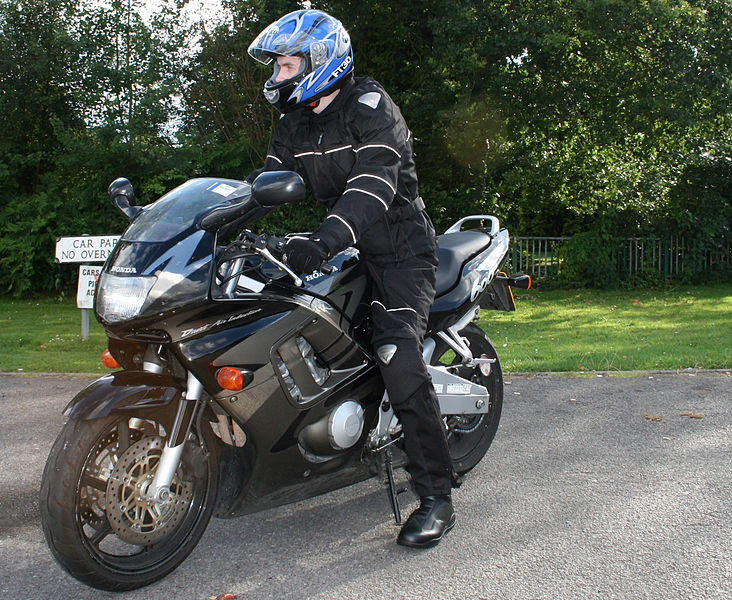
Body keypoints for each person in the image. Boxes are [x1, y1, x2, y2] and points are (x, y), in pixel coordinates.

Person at [247, 9, 457, 548]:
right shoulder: (293, 124)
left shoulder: (371, 108)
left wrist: (322, 241)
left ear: (321, 62)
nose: (279, 74)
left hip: (400, 251)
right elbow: (263, 187)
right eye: (277, 65)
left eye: (288, 63)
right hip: (343, 251)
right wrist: (218, 229)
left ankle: (435, 495)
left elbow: (372, 186)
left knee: (397, 355)